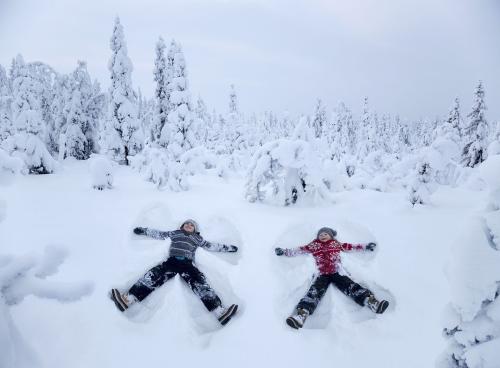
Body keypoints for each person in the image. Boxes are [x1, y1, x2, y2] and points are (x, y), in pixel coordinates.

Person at [110, 219, 239, 326]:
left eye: (191, 225)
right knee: (152, 277)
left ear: (195, 229)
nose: (189, 225)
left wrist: (228, 248)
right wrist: (144, 231)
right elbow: (159, 234)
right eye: (186, 224)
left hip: (188, 265)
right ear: (181, 226)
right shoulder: (175, 233)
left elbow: (211, 246)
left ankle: (219, 312)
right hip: (171, 262)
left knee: (200, 283)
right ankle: (127, 300)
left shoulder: (197, 238)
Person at [275, 227, 389, 329]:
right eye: (321, 235)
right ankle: (301, 315)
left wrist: (365, 246)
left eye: (326, 234)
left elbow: (351, 246)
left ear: (331, 236)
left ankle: (371, 302)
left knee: (350, 286)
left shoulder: (336, 244)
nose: (323, 236)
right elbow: (300, 250)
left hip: (336, 272)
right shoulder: (314, 245)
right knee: (314, 292)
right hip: (322, 274)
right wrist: (285, 251)